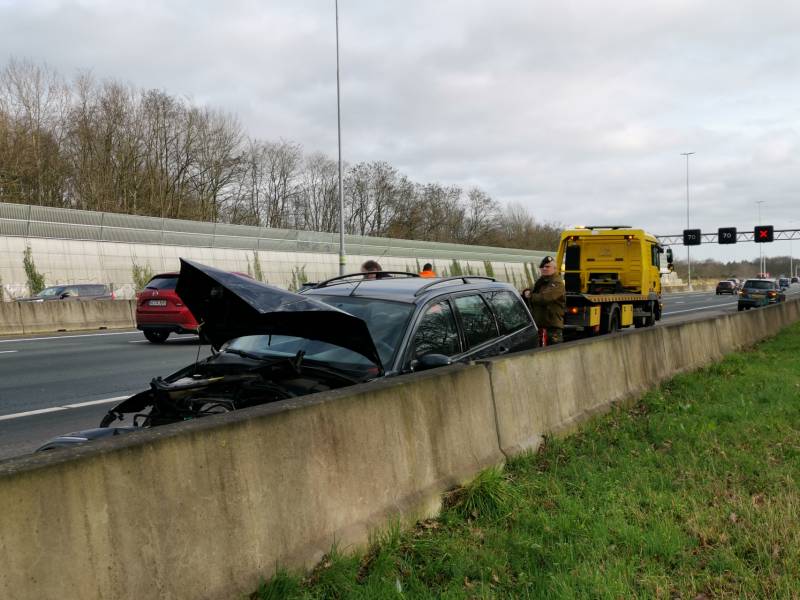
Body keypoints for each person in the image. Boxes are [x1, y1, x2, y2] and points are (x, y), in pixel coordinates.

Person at [526, 255, 566, 346]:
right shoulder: (540, 282)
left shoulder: (557, 283)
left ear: (555, 269)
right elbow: (530, 292)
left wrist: (530, 296)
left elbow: (545, 298)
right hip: (539, 326)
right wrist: (526, 292)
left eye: (547, 267)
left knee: (554, 354)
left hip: (552, 328)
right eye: (542, 267)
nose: (544, 268)